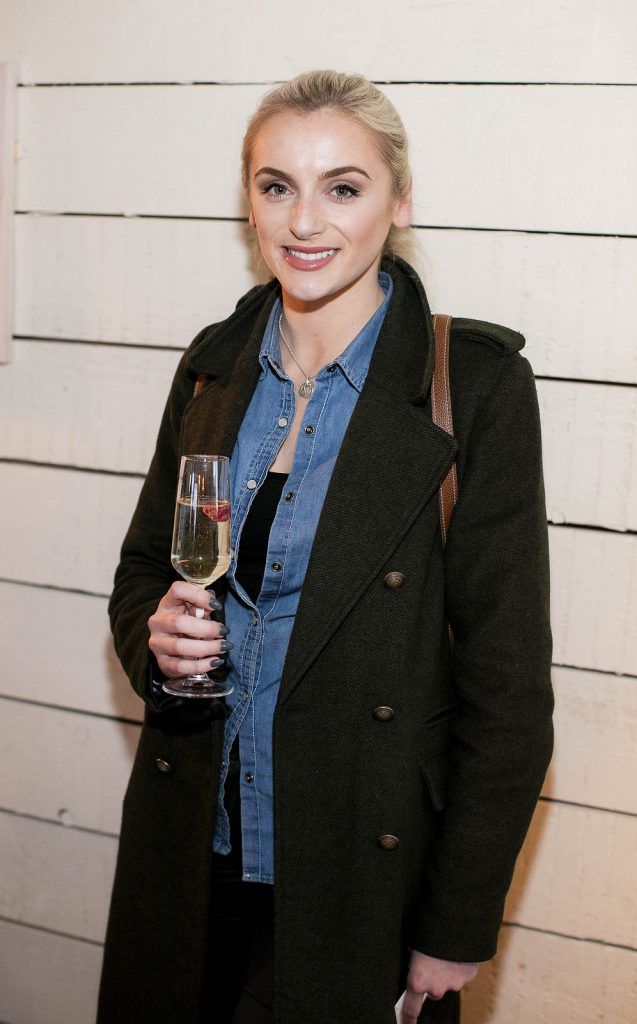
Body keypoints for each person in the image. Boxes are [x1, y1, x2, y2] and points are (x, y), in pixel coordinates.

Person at [97, 70, 553, 1024]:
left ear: (398, 202)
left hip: (361, 868)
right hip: (192, 848)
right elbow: (145, 571)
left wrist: (455, 925)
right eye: (276, 186)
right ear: (249, 202)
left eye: (342, 187)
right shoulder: (214, 364)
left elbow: (506, 692)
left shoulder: (471, 386)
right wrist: (158, 634)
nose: (305, 221)